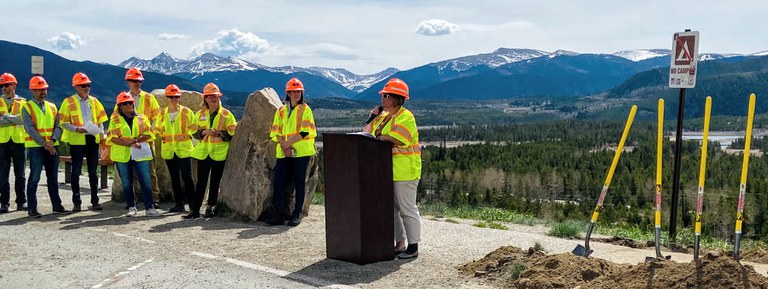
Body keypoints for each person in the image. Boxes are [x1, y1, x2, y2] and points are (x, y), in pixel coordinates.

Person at [362, 78, 422, 259]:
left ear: (396, 98)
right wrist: (372, 118)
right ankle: (399, 243)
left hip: (405, 171)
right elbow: (365, 132)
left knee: (407, 209)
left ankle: (413, 247)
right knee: (391, 210)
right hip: (386, 172)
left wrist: (379, 137)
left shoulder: (406, 116)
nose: (382, 98)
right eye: (382, 95)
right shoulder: (382, 117)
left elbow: (397, 138)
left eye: (386, 95)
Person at [266, 78, 316, 226]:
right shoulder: (281, 110)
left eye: (298, 91)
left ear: (302, 93)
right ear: (288, 93)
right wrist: (284, 145)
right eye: (293, 91)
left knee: (299, 183)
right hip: (284, 152)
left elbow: (305, 132)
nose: (296, 94)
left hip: (301, 152)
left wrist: (287, 143)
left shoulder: (305, 110)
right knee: (278, 183)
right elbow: (275, 130)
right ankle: (279, 214)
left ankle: (296, 214)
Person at [185, 83, 236, 219]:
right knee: (201, 183)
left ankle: (210, 207)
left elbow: (233, 133)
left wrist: (220, 134)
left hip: (219, 153)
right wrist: (204, 132)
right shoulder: (200, 114)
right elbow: (192, 131)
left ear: (219, 97)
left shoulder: (227, 114)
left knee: (215, 182)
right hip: (204, 153)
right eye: (210, 96)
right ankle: (195, 210)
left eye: (215, 96)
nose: (213, 98)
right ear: (205, 98)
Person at [59, 72, 108, 212]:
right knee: (76, 172)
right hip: (77, 140)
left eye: (88, 85)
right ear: (76, 87)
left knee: (93, 172)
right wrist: (76, 129)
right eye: (83, 85)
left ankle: (95, 201)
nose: (87, 87)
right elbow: (63, 122)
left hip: (92, 139)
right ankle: (77, 202)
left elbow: (102, 120)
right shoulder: (68, 102)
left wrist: (100, 132)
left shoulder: (95, 101)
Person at [23, 76, 68, 218]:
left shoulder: (53, 106)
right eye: (40, 89)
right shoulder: (27, 107)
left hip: (52, 145)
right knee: (34, 177)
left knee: (53, 178)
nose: (43, 92)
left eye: (45, 89)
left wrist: (52, 140)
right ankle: (32, 208)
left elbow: (58, 126)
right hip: (36, 147)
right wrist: (44, 143)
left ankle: (57, 206)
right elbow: (30, 128)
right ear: (33, 91)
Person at [107, 92, 158, 217]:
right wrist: (127, 144)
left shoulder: (142, 118)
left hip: (140, 153)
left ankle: (149, 207)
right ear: (120, 106)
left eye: (130, 102)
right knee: (126, 182)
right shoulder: (115, 120)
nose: (129, 105)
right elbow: (111, 138)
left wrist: (134, 140)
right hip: (122, 155)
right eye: (125, 103)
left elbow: (150, 135)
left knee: (145, 180)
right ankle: (131, 207)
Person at [124, 67, 161, 209]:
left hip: (146, 139)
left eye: (139, 81)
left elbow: (157, 117)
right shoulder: (123, 98)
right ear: (128, 82)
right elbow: (117, 119)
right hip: (130, 142)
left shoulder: (149, 98)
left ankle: (154, 197)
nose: (137, 83)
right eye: (134, 81)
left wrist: (147, 134)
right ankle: (136, 197)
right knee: (131, 171)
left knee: (150, 171)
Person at [155, 84, 195, 213]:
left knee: (187, 177)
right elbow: (157, 130)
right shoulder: (162, 114)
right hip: (169, 151)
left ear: (179, 97)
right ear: (167, 98)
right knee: (175, 179)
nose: (174, 99)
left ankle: (193, 204)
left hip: (184, 150)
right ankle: (179, 204)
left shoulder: (187, 112)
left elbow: (194, 129)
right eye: (171, 97)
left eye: (176, 97)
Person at [0, 73, 26, 213]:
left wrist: (5, 117)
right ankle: (4, 203)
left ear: (14, 85)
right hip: (2, 142)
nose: (4, 88)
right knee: (2, 174)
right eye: (2, 86)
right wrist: (13, 119)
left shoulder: (23, 102)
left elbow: (23, 120)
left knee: (20, 174)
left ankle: (21, 202)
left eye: (6, 85)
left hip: (19, 142)